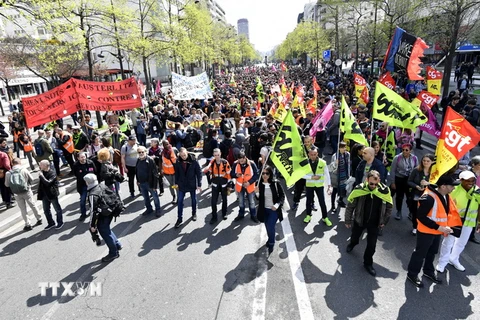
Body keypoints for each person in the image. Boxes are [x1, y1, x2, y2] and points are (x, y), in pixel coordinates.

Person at [406, 175, 462, 288]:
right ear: (443, 186)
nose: (453, 188)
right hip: (426, 231)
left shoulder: (445, 195)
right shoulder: (428, 198)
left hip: (436, 232)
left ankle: (428, 271)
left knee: (432, 252)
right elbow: (420, 217)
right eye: (452, 186)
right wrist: (439, 227)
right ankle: (412, 274)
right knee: (420, 253)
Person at [345, 170, 393, 276]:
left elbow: (389, 206)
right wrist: (348, 220)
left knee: (371, 246)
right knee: (355, 237)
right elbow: (350, 205)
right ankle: (353, 243)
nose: (373, 186)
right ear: (367, 180)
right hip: (360, 220)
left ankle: (368, 263)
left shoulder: (384, 190)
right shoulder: (359, 189)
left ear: (379, 181)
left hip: (374, 223)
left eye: (376, 184)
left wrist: (384, 221)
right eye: (371, 183)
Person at [437, 171, 480, 273]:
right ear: (461, 180)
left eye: (473, 180)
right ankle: (442, 263)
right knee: (448, 243)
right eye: (468, 180)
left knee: (461, 243)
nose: (471, 182)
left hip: (468, 223)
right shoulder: (453, 189)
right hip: (454, 221)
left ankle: (454, 259)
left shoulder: (478, 191)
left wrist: (479, 222)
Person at [84, 174, 122, 263]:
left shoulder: (92, 194)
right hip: (111, 211)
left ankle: (113, 253)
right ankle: (117, 244)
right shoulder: (101, 185)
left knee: (105, 233)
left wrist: (92, 225)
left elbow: (93, 211)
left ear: (87, 182)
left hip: (103, 215)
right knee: (107, 229)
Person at [5, 157, 42, 231]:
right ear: (20, 163)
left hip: (16, 193)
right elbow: (32, 179)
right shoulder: (24, 170)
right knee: (33, 205)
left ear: (12, 164)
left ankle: (28, 224)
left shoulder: (8, 173)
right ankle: (39, 218)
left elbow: (7, 184)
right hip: (26, 191)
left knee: (23, 209)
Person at [257, 165, 286, 254]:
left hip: (274, 210)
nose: (265, 175)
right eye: (263, 173)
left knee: (270, 226)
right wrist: (257, 193)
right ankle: (270, 238)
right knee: (267, 226)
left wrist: (277, 205)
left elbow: (282, 196)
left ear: (270, 174)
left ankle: (271, 242)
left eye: (267, 173)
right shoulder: (258, 184)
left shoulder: (276, 183)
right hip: (264, 209)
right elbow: (259, 199)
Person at [173, 147, 202, 228]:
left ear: (187, 153)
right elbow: (177, 173)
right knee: (180, 201)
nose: (183, 157)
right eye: (181, 156)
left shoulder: (194, 161)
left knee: (193, 199)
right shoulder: (178, 161)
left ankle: (194, 213)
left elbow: (199, 173)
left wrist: (199, 184)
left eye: (184, 155)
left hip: (191, 184)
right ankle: (179, 219)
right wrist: (176, 183)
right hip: (182, 184)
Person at [303, 147, 332, 226]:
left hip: (319, 186)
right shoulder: (305, 163)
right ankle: (308, 215)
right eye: (311, 154)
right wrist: (311, 177)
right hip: (309, 185)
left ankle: (325, 217)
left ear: (317, 154)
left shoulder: (323, 162)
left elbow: (327, 174)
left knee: (322, 201)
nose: (313, 156)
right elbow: (301, 175)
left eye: (314, 154)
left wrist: (329, 186)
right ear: (308, 154)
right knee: (308, 201)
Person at [388, 143, 418, 220]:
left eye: (406, 150)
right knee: (399, 196)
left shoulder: (414, 158)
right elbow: (393, 171)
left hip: (409, 180)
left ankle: (411, 212)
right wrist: (393, 182)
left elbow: (416, 170)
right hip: (399, 178)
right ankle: (399, 211)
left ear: (410, 151)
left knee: (410, 197)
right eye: (403, 150)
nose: (404, 151)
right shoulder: (397, 158)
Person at [407, 154, 434, 235]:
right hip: (417, 194)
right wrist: (416, 186)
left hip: (428, 195)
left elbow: (437, 185)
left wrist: (428, 183)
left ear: (432, 162)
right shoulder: (416, 170)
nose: (425, 162)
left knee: (425, 212)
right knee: (415, 211)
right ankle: (415, 226)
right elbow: (409, 181)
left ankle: (422, 226)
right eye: (424, 160)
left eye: (428, 161)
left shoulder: (434, 173)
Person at [204, 148, 231, 224]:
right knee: (213, 201)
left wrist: (229, 185)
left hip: (224, 184)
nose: (217, 156)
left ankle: (224, 213)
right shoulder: (212, 163)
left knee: (224, 200)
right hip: (215, 184)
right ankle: (214, 216)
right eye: (215, 155)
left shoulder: (225, 163)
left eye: (218, 155)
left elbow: (229, 174)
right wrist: (207, 172)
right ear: (213, 155)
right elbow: (208, 173)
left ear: (220, 154)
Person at [232, 152, 259, 223]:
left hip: (249, 186)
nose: (241, 162)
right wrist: (236, 175)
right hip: (240, 186)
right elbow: (232, 174)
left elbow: (256, 175)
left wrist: (249, 182)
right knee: (241, 201)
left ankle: (253, 215)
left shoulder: (252, 164)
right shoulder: (235, 164)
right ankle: (241, 214)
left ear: (245, 158)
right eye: (239, 161)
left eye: (242, 161)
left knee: (252, 202)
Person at [136, 146, 161, 217]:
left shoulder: (150, 160)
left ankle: (158, 210)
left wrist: (155, 186)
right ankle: (149, 209)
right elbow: (137, 171)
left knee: (155, 197)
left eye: (142, 152)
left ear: (145, 152)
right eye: (139, 152)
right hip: (142, 183)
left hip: (150, 183)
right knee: (146, 198)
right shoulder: (138, 160)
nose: (141, 153)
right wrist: (138, 180)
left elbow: (155, 174)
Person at [38, 160, 63, 230]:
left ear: (46, 165)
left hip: (51, 194)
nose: (40, 166)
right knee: (46, 210)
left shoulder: (52, 173)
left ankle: (60, 222)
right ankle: (51, 223)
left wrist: (41, 176)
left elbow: (48, 183)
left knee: (57, 209)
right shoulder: (42, 172)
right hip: (44, 194)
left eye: (41, 165)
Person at [73, 152, 97, 221]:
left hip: (92, 185)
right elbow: (76, 175)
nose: (83, 158)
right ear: (78, 158)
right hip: (82, 186)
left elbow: (95, 172)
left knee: (93, 200)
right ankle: (83, 214)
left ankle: (94, 213)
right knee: (82, 201)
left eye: (84, 157)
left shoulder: (90, 163)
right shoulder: (76, 165)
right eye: (81, 157)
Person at [329, 141, 350, 210]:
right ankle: (332, 205)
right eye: (342, 147)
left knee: (343, 189)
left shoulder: (347, 155)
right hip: (336, 176)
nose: (344, 149)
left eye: (345, 147)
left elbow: (349, 165)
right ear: (339, 148)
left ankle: (340, 200)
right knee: (334, 191)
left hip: (344, 176)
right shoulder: (335, 156)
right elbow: (331, 168)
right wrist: (335, 163)